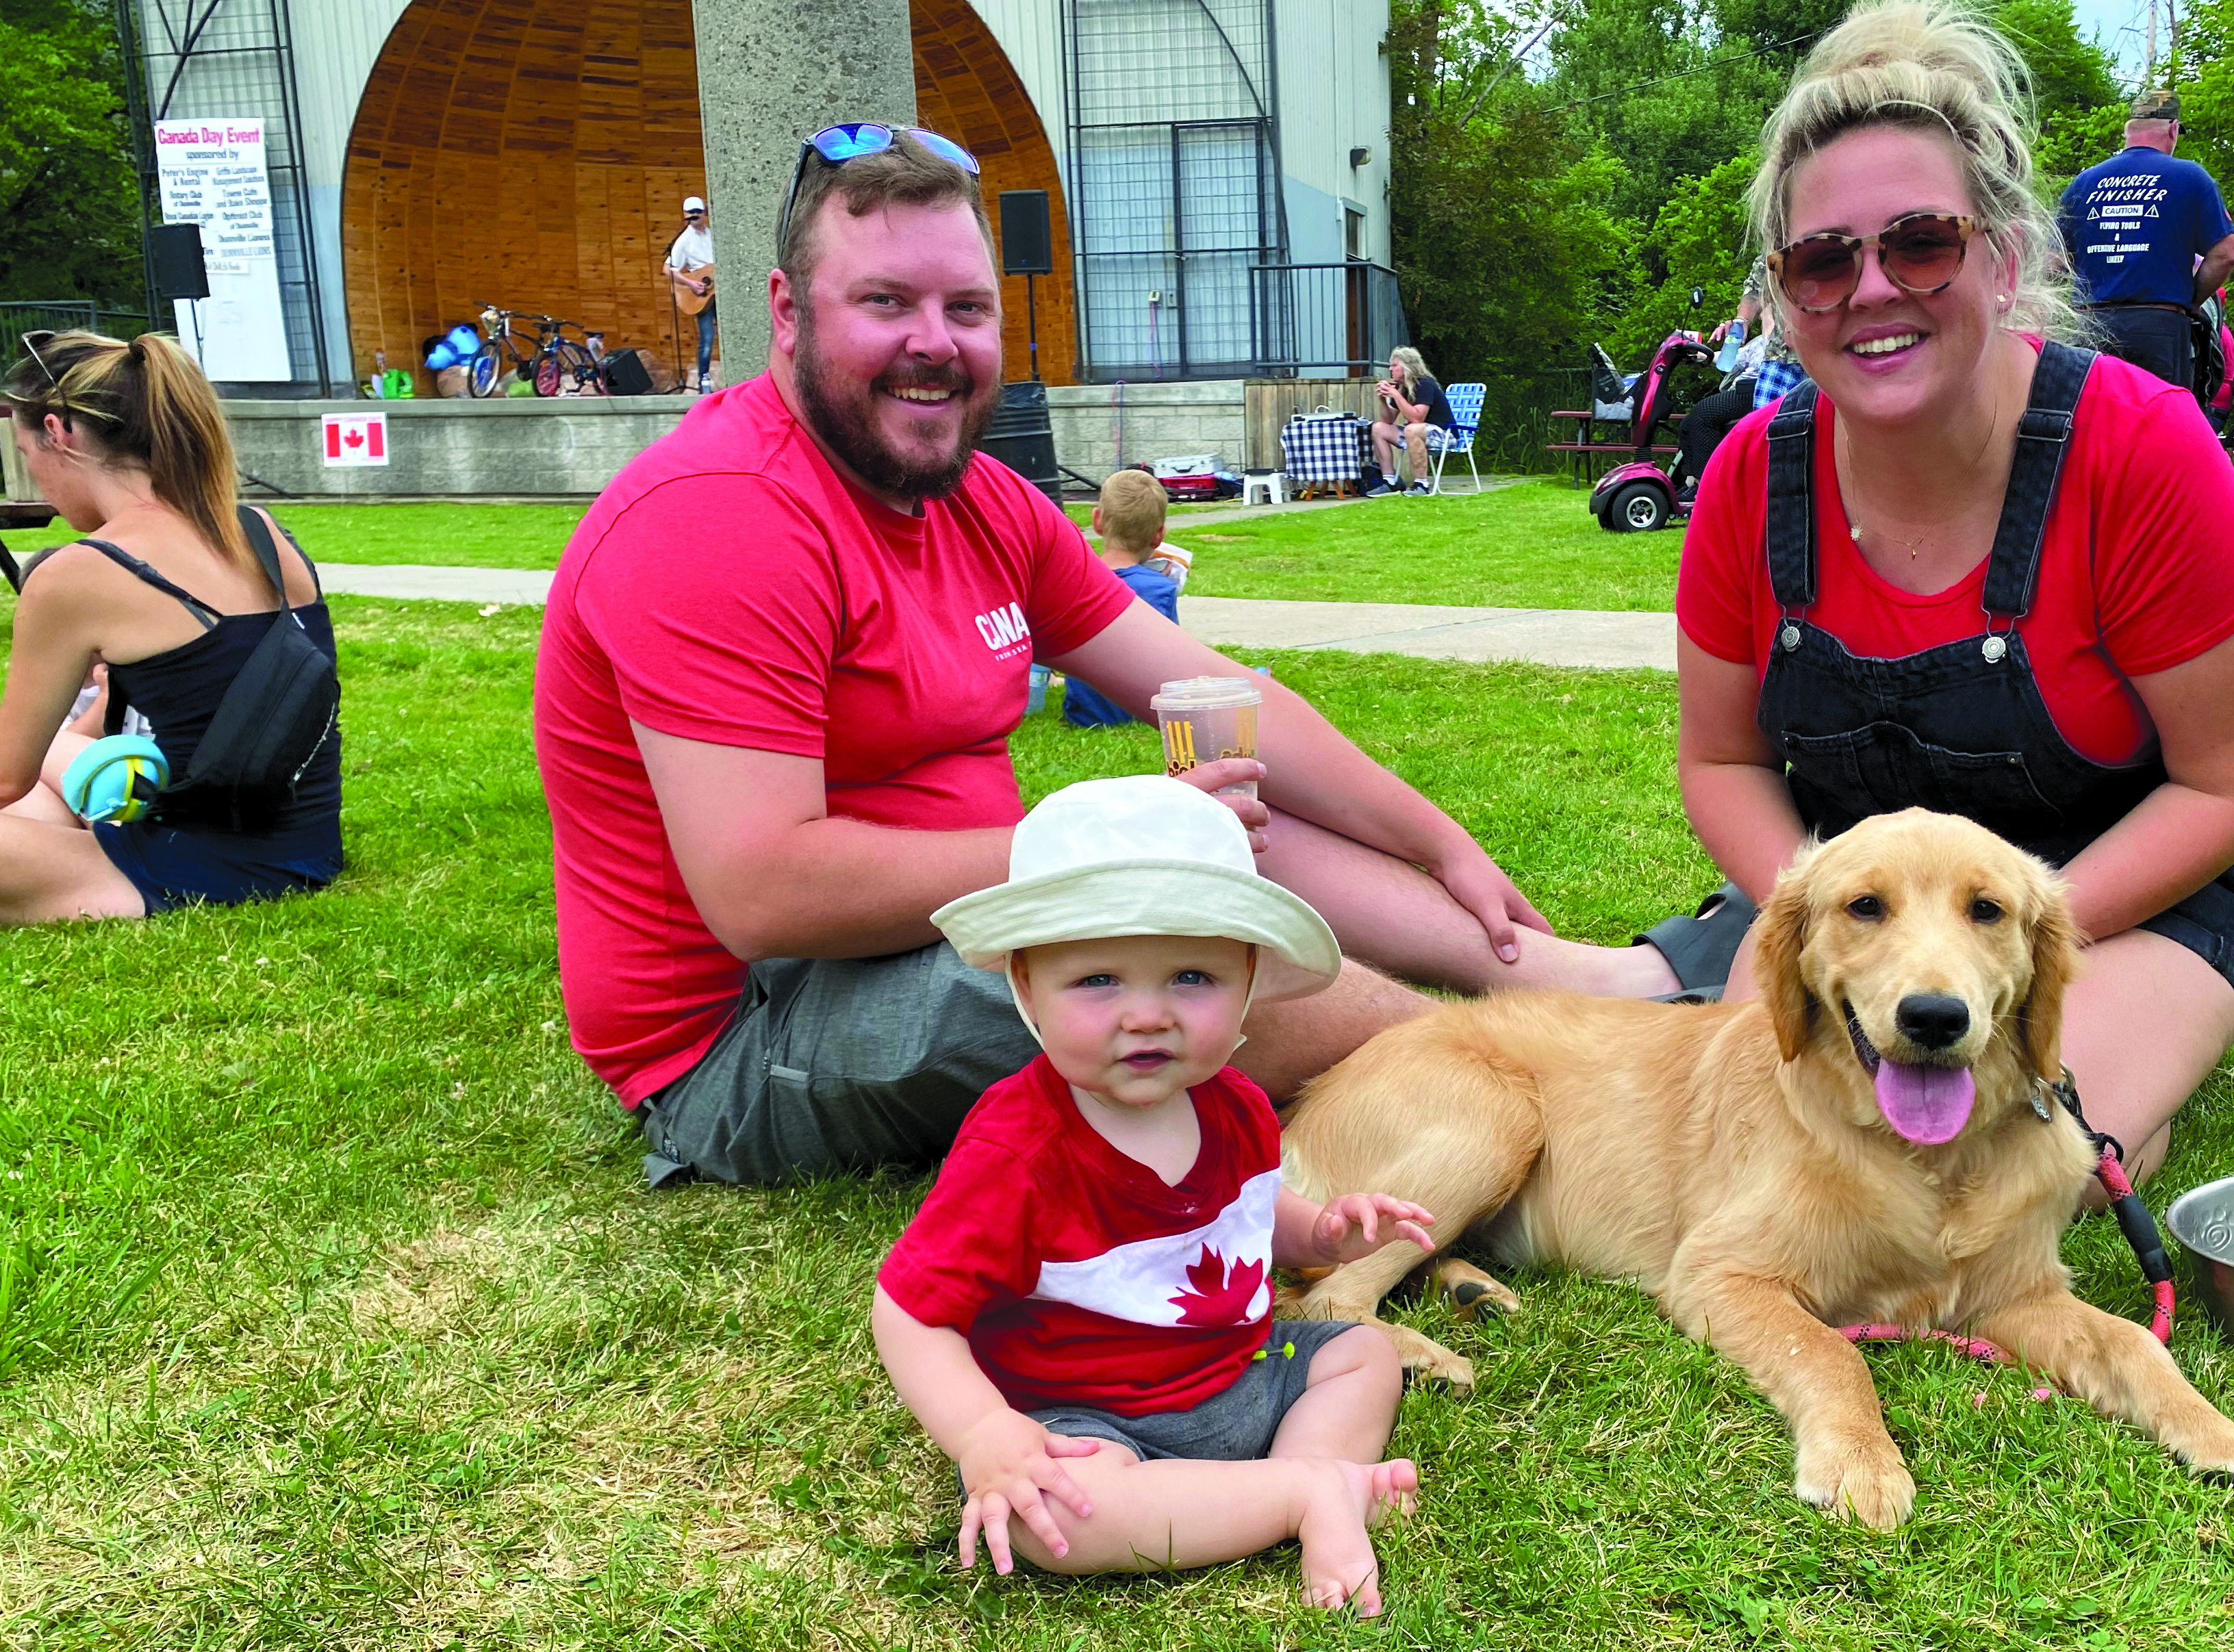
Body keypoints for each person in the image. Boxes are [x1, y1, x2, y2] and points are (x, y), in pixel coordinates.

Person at [533, 127, 1679, 1190]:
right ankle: (1534, 1087)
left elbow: (1215, 695)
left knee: (1219, 809)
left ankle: (1572, 979)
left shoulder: (984, 500)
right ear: (788, 312)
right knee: (1146, 932)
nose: (935, 343)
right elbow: (763, 892)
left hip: (954, 927)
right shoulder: (719, 514)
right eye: (885, 301)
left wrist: (1439, 843)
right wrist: (1112, 842)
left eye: (966, 307)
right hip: (748, 1034)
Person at [1645, 0, 2234, 1194]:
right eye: (1822, 260)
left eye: (1921, 244)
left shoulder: (2141, 447)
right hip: (1871, 906)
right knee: (1713, 1107)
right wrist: (1816, 921)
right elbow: (1723, 761)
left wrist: (2009, 944)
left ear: (2005, 259)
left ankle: (2124, 1071)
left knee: (2012, 1160)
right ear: (1784, 295)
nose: (1870, 290)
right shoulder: (1750, 474)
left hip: (2128, 893)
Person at [870, 776, 1434, 1614]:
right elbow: (909, 1313)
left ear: (1248, 979)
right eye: (1098, 980)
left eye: (1191, 977)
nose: (1146, 1016)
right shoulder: (1018, 1152)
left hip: (1242, 1374)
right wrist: (984, 1431)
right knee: (1047, 1519)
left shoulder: (1237, 1104)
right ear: (1026, 986)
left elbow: (1246, 1215)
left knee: (1364, 1355)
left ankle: (1283, 1486)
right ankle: (1307, 1491)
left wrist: (1321, 1235)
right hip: (1089, 1420)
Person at [0, 330, 344, 925]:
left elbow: (8, 777)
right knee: (49, 779)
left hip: (189, 869)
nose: (37, 483)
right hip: (304, 850)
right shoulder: (261, 531)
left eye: (26, 454)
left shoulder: (80, 572)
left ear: (58, 432)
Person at [2055, 88, 2234, 389]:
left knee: (2095, 412)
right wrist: (2192, 301)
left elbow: (2052, 261)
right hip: (2158, 326)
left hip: (2091, 326)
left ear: (2128, 130)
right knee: (2159, 413)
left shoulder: (2084, 182)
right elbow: (2225, 254)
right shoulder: (2191, 177)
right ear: (2173, 129)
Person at [1058, 468, 1188, 729]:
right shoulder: (1160, 589)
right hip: (1143, 714)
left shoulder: (1072, 582)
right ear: (1159, 534)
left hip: (1083, 716)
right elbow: (1173, 663)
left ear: (1097, 521)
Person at [1675, 268, 1775, 501]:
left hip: (1756, 389)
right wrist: (1703, 355)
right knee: (1688, 423)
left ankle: (1707, 487)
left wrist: (1767, 315)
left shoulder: (1781, 338)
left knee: (1704, 415)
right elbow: (1733, 359)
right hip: (1743, 388)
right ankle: (1691, 482)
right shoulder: (1758, 342)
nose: (1758, 314)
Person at [1369, 346, 1447, 495]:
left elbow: (1417, 418)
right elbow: (1388, 420)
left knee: (1412, 429)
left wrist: (1395, 395)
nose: (1390, 369)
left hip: (1444, 434)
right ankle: (1390, 481)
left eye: (1394, 365)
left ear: (1407, 367)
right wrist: (1382, 399)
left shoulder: (1425, 384)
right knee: (1379, 428)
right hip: (1417, 433)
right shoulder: (1403, 387)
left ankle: (1422, 485)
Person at [663, 195, 718, 392]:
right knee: (707, 338)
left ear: (704, 213)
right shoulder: (684, 241)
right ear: (686, 215)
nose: (695, 216)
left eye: (698, 212)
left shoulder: (714, 234)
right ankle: (704, 379)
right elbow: (669, 269)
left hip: (720, 291)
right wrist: (691, 283)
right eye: (691, 213)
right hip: (703, 295)